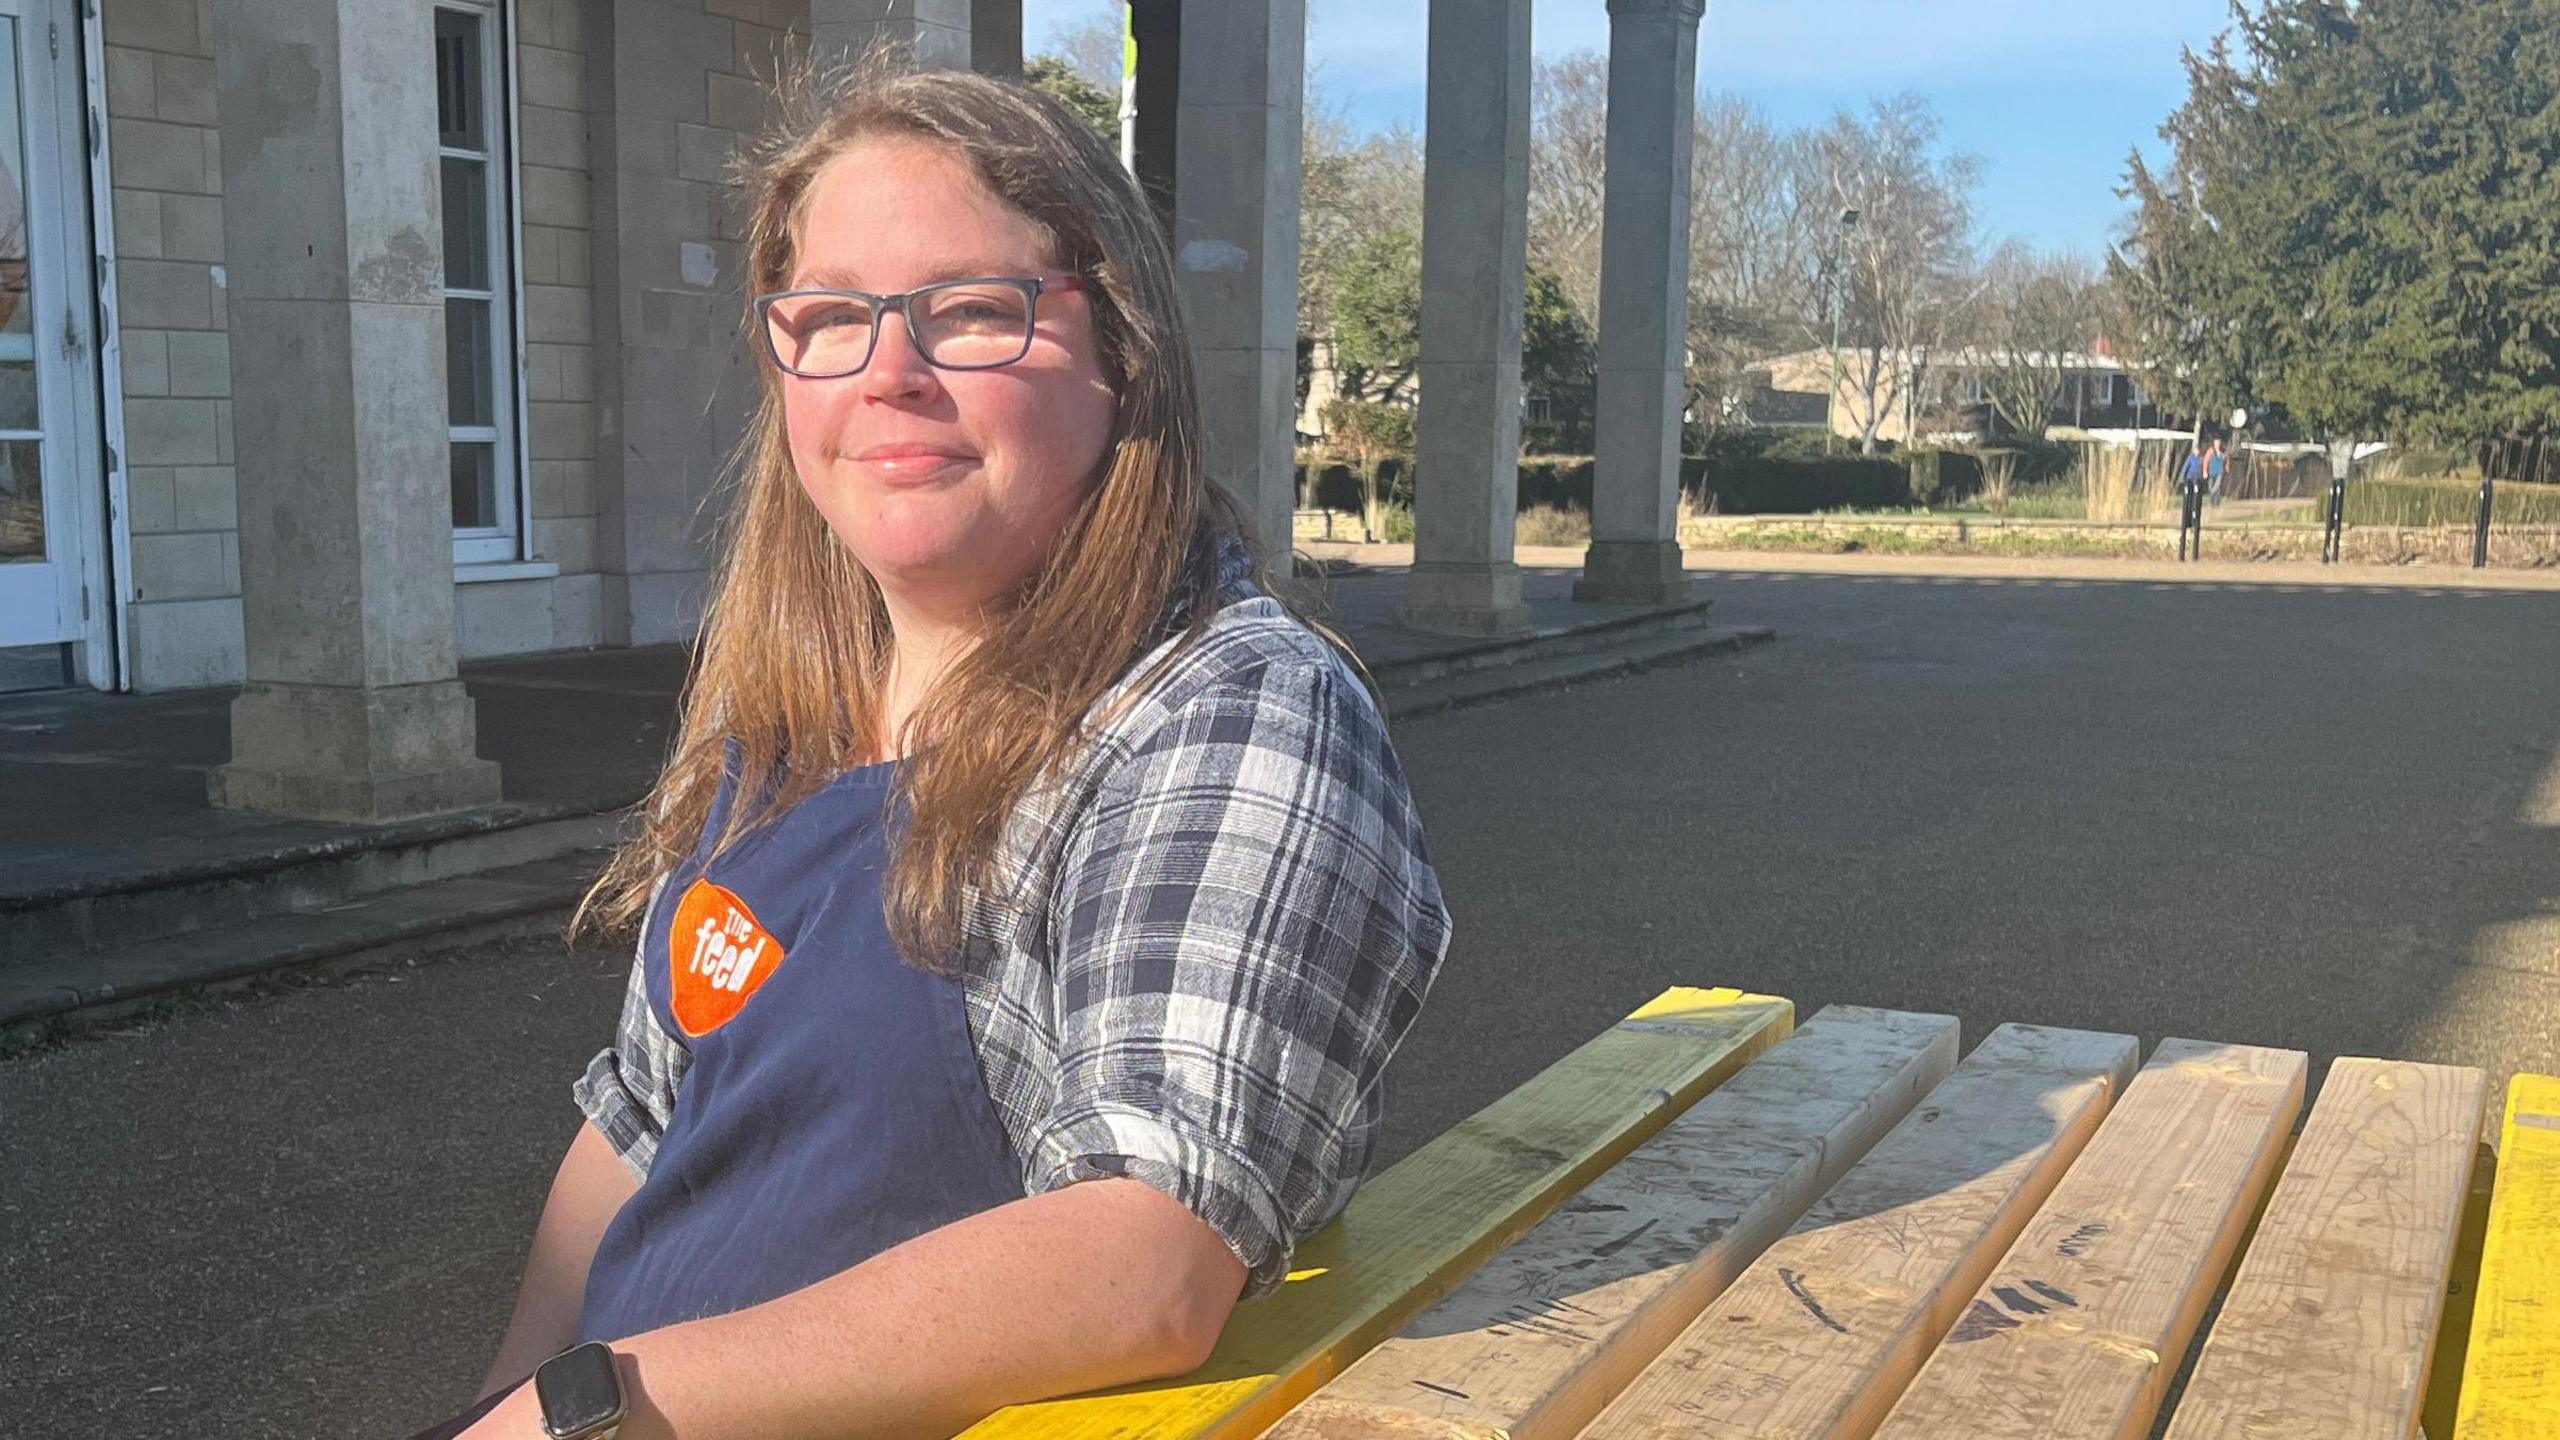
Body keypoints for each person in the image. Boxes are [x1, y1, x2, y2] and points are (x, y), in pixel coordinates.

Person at [431, 58, 1450, 1440]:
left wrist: (596, 1409)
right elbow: (637, 1128)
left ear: (1122, 352)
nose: (890, 374)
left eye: (972, 312)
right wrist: (504, 1405)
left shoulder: (1227, 712)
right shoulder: (782, 722)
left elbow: (1147, 1255)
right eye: (833, 317)